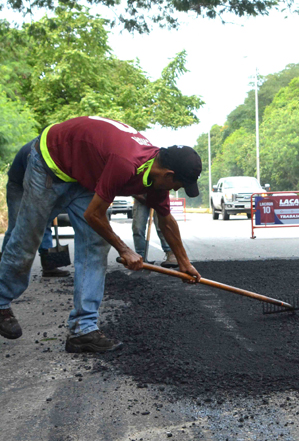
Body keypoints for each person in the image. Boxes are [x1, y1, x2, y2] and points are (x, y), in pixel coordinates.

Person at [0, 116, 202, 353]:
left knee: (96, 245)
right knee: (26, 238)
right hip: (49, 164)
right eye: (177, 184)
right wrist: (125, 249)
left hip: (84, 177)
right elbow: (94, 215)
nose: (176, 190)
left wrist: (183, 262)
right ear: (168, 174)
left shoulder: (155, 177)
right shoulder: (125, 162)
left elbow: (166, 219)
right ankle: (1, 301)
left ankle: (82, 330)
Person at [2, 141, 69, 277]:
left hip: (39, 185)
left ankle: (49, 266)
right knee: (15, 226)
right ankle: (4, 266)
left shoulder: (57, 151)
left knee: (44, 222)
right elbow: (33, 182)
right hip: (18, 186)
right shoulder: (33, 151)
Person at [131, 194, 178, 267]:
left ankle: (170, 253)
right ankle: (140, 256)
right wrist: (141, 197)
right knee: (138, 228)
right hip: (140, 197)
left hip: (158, 196)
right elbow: (130, 188)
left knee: (162, 226)